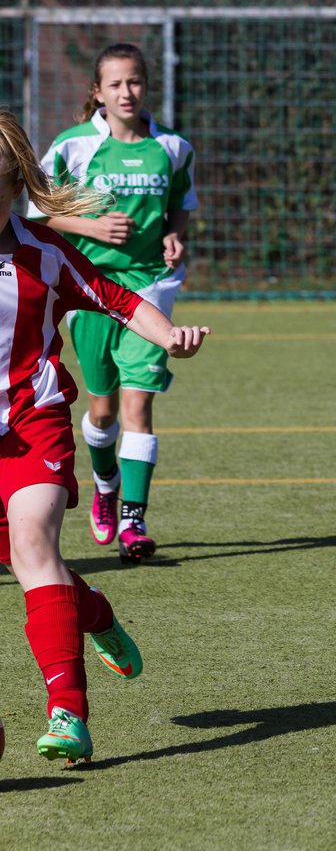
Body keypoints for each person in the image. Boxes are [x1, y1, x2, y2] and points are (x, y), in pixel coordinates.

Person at [0, 110, 209, 762]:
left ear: (12, 187)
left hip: (32, 424)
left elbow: (117, 299)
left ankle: (69, 714)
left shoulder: (43, 252)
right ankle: (92, 612)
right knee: (39, 570)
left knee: (34, 542)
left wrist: (168, 334)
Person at [30, 43, 198, 563]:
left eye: (136, 82)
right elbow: (37, 212)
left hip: (148, 288)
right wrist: (90, 225)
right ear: (97, 93)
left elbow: (179, 209)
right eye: (117, 84)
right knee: (100, 411)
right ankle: (105, 486)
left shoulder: (172, 148)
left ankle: (134, 518)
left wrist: (174, 235)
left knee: (137, 405)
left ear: (147, 85)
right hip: (90, 290)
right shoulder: (71, 147)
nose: (128, 92)